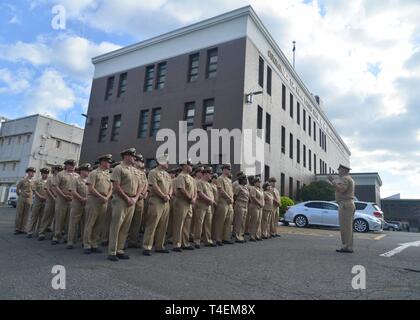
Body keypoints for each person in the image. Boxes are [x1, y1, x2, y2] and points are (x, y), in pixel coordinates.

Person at [108, 149, 141, 261]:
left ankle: (120, 250)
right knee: (116, 226)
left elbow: (140, 185)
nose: (134, 158)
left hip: (132, 200)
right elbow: (116, 186)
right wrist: (127, 198)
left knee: (125, 227)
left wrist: (135, 198)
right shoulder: (118, 168)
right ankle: (112, 251)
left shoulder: (135, 170)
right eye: (132, 156)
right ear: (126, 156)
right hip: (121, 200)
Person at [142, 154, 172, 256]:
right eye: (167, 161)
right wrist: (163, 195)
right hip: (156, 200)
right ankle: (147, 246)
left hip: (166, 202)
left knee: (163, 225)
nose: (168, 163)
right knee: (152, 224)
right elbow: (154, 186)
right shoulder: (153, 172)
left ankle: (160, 246)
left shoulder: (167, 175)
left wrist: (168, 195)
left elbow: (171, 187)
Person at [83, 155, 113, 254]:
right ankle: (87, 244)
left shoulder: (109, 175)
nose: (109, 164)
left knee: (99, 224)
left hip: (104, 201)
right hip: (94, 200)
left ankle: (94, 244)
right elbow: (91, 188)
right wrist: (101, 196)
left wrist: (107, 197)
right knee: (90, 223)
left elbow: (111, 189)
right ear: (103, 162)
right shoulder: (94, 173)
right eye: (108, 162)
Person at [327, 164, 356, 253]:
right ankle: (348, 246)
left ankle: (347, 247)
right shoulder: (349, 178)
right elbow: (342, 188)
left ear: (343, 170)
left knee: (345, 227)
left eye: (339, 170)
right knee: (348, 227)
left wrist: (332, 181)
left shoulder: (345, 178)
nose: (338, 172)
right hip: (348, 204)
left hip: (345, 204)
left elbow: (342, 189)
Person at [172, 159, 196, 252]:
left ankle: (185, 243)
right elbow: (181, 189)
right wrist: (190, 198)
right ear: (185, 166)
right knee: (179, 224)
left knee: (187, 224)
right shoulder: (181, 176)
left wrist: (194, 198)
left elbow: (194, 191)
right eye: (190, 165)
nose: (191, 166)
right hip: (182, 202)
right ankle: (176, 244)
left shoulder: (191, 178)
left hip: (189, 203)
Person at [51, 160, 77, 244]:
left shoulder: (76, 175)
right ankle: (56, 236)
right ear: (66, 165)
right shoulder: (60, 174)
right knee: (60, 218)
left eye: (73, 165)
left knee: (69, 219)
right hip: (62, 199)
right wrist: (63, 195)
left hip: (72, 199)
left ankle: (66, 236)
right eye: (70, 165)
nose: (72, 166)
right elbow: (56, 187)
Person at [67, 163, 90, 249]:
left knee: (85, 224)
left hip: (87, 204)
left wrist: (87, 199)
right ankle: (70, 241)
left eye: (88, 171)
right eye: (86, 170)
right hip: (77, 203)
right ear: (81, 171)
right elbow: (73, 191)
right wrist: (81, 198)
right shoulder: (75, 179)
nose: (87, 172)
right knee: (73, 223)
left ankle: (84, 241)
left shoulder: (89, 180)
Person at [127, 154, 148, 248]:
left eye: (142, 161)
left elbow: (145, 185)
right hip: (130, 198)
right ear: (135, 161)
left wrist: (142, 194)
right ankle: (122, 241)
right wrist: (135, 195)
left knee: (137, 221)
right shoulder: (129, 170)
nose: (141, 162)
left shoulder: (142, 173)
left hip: (140, 200)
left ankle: (133, 240)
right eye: (139, 160)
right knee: (127, 221)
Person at [192, 167, 215, 248]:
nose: (211, 176)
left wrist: (212, 200)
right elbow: (200, 193)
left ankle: (207, 240)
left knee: (208, 223)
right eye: (210, 174)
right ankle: (197, 241)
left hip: (208, 205)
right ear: (205, 174)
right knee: (199, 223)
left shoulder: (208, 184)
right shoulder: (199, 182)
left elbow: (211, 194)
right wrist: (209, 199)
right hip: (201, 205)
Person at [38, 165, 63, 241]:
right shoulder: (50, 179)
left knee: (58, 218)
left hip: (60, 200)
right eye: (56, 170)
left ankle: (55, 234)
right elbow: (47, 189)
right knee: (47, 216)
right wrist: (53, 197)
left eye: (59, 170)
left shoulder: (61, 178)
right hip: (51, 200)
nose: (58, 171)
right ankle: (41, 232)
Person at [212, 164, 234, 246]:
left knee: (228, 221)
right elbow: (220, 190)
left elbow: (231, 191)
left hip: (229, 203)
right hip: (223, 202)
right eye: (228, 169)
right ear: (224, 169)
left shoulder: (229, 180)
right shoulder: (220, 179)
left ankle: (226, 238)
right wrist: (229, 198)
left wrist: (232, 199)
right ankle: (218, 239)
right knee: (220, 221)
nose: (229, 170)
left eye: (230, 169)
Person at [27, 168, 49, 238]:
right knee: (34, 216)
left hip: (45, 201)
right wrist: (40, 196)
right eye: (44, 173)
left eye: (47, 173)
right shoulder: (37, 181)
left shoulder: (49, 182)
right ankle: (30, 232)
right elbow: (34, 190)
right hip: (37, 201)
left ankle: (40, 232)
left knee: (42, 218)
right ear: (42, 174)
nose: (46, 175)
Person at [14, 167, 36, 235]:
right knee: (19, 213)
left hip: (29, 199)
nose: (32, 173)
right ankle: (17, 229)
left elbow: (34, 190)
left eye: (33, 172)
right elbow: (17, 189)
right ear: (28, 172)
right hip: (22, 198)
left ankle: (23, 229)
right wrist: (20, 195)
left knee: (26, 215)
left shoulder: (34, 182)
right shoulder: (23, 180)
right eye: (31, 172)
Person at [232, 175, 249, 243]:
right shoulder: (238, 187)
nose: (246, 181)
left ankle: (241, 235)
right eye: (245, 179)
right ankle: (237, 236)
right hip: (239, 205)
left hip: (245, 205)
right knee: (238, 222)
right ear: (242, 180)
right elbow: (234, 196)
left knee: (243, 222)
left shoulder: (245, 187)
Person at [248, 177, 264, 241]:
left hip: (260, 207)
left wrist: (263, 204)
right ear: (255, 183)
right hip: (254, 206)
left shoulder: (260, 190)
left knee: (258, 221)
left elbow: (262, 198)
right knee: (254, 221)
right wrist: (259, 203)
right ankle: (252, 236)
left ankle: (257, 235)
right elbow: (253, 197)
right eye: (258, 182)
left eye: (260, 182)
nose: (260, 183)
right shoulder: (253, 189)